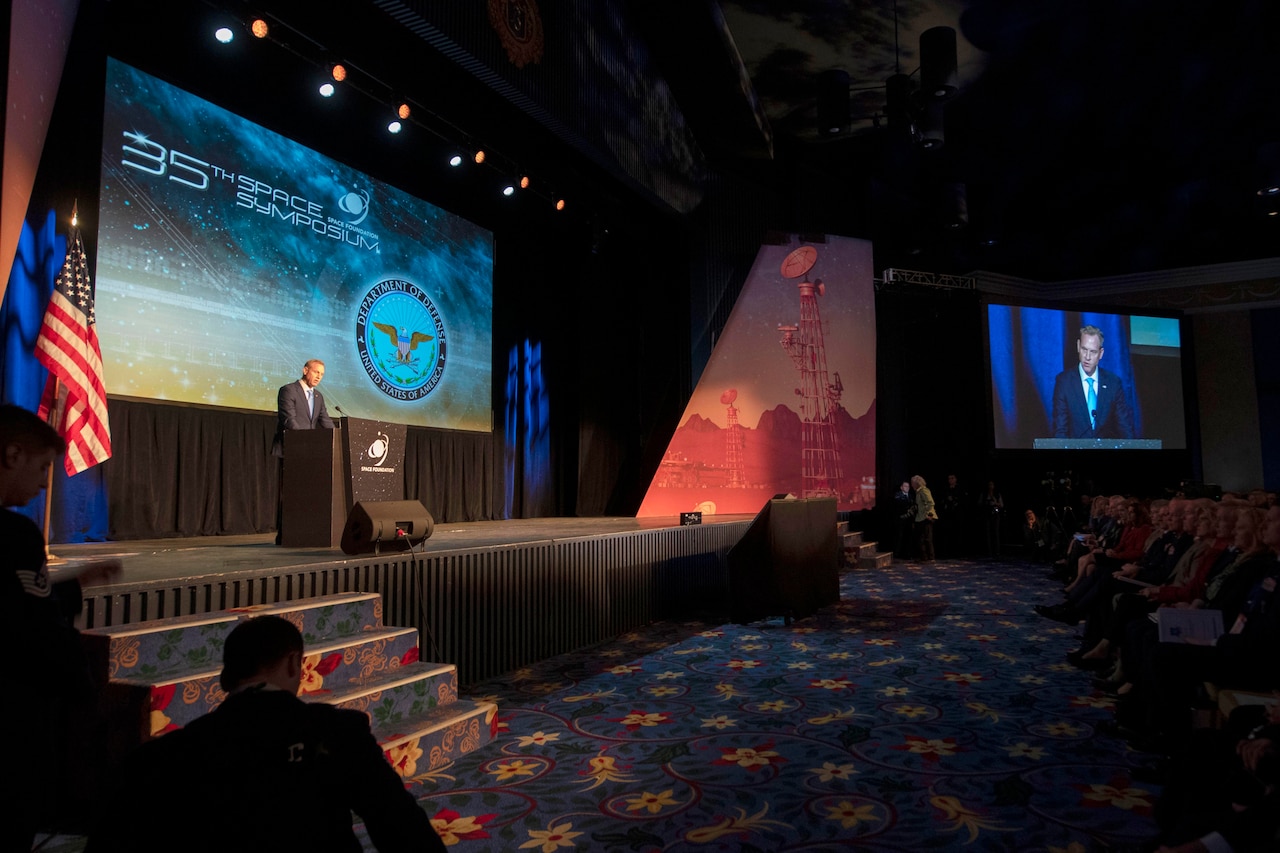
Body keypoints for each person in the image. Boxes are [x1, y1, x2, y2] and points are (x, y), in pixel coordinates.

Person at [87, 615, 447, 853]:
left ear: (227, 679)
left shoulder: (160, 758)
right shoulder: (339, 733)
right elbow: (405, 832)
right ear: (295, 665)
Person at [0, 404, 122, 849]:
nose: (43, 482)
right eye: (42, 467)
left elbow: (15, 599)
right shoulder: (14, 535)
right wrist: (84, 692)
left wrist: (74, 584)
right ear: (13, 454)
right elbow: (32, 628)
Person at [272, 359, 335, 543]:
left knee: (308, 495)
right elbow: (288, 419)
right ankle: (284, 535)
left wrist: (340, 437)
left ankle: (305, 532)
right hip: (291, 450)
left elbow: (325, 421)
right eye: (316, 372)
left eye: (321, 375)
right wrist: (308, 441)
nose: (318, 377)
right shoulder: (288, 390)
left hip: (310, 453)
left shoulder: (318, 397)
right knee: (290, 495)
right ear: (305, 370)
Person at [1051, 325, 1136, 439]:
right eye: (1084, 349)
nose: (1087, 357)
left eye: (1093, 352)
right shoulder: (1064, 382)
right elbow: (1060, 429)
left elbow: (1124, 427)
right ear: (1078, 346)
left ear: (1101, 353)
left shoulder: (1113, 383)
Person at [910, 474, 937, 562]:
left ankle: (930, 557)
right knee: (920, 539)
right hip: (920, 518)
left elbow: (930, 503)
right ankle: (924, 557)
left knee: (927, 538)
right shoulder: (917, 492)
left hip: (926, 518)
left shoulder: (924, 491)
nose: (911, 485)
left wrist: (929, 515)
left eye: (912, 483)